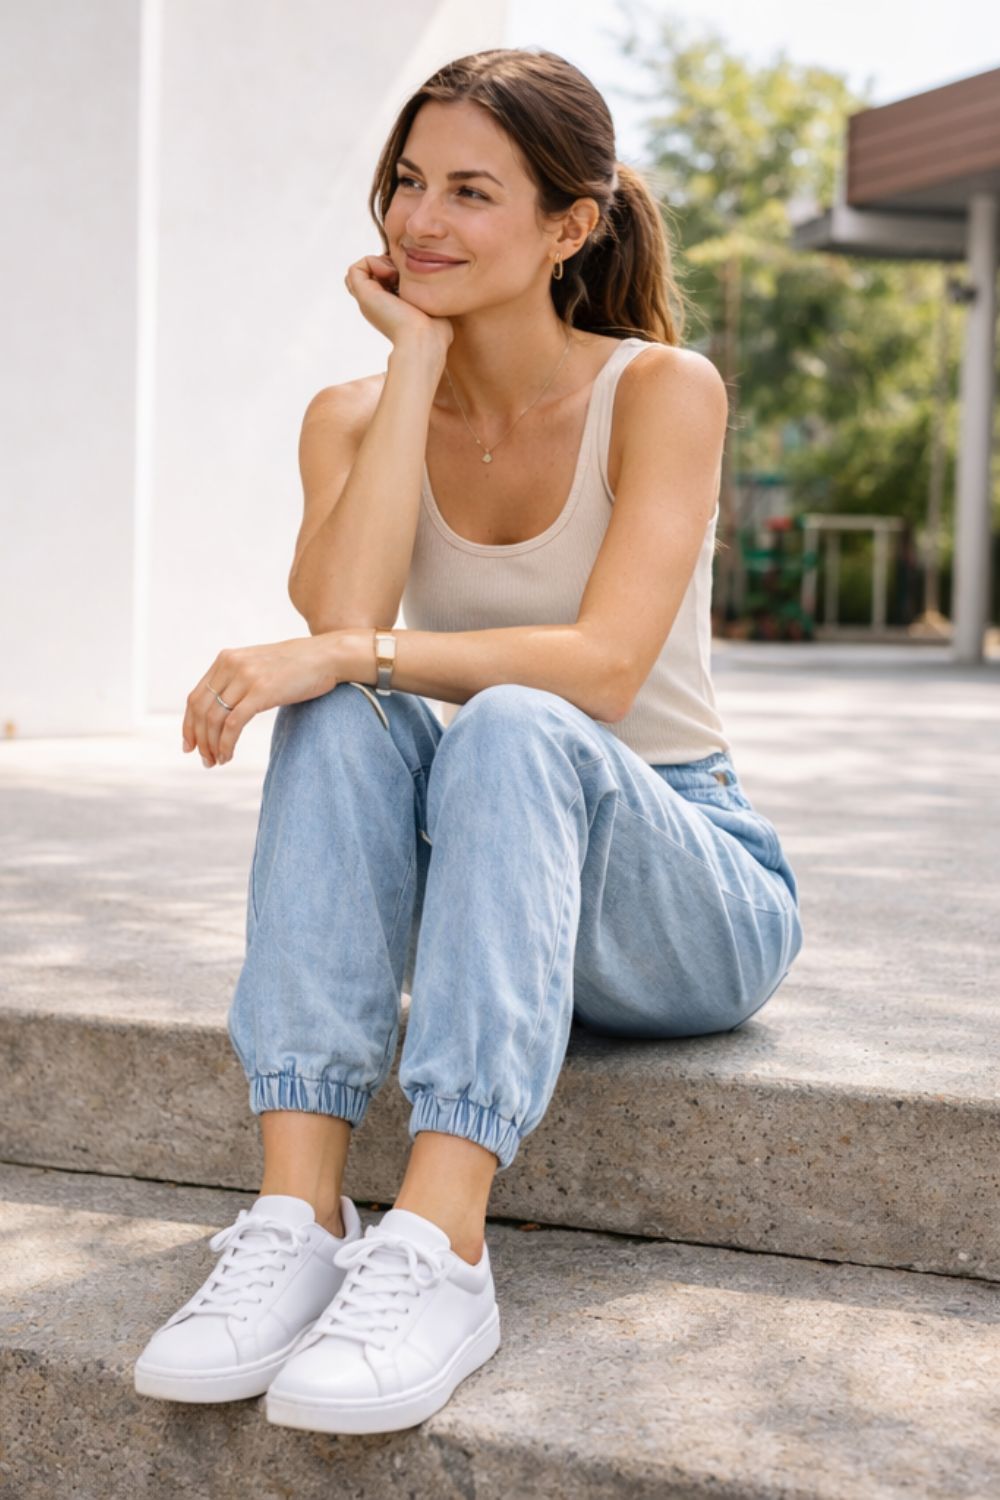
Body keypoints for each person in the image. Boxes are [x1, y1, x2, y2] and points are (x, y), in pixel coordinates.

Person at [133, 46, 803, 1435]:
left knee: (506, 716)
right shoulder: (353, 416)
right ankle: (297, 1217)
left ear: (571, 226)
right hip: (498, 879)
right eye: (407, 182)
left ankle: (440, 1245)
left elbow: (604, 669)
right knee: (345, 705)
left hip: (686, 886)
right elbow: (345, 618)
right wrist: (418, 360)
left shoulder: (660, 391)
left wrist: (352, 651)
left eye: (471, 192)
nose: (419, 220)